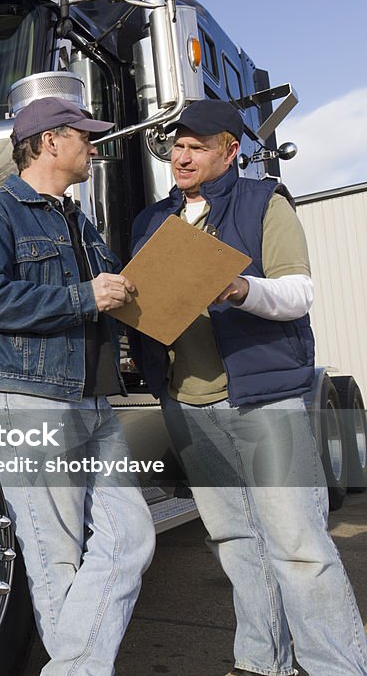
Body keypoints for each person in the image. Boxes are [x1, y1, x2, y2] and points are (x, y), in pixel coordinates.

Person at [130, 99, 367, 676]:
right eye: (176, 146)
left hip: (264, 400)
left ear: (229, 150)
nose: (181, 156)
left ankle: (336, 666)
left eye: (196, 146)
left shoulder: (266, 203)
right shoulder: (149, 221)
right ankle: (262, 662)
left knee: (299, 547)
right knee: (236, 542)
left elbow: (298, 294)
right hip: (189, 403)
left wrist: (240, 290)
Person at [0, 96, 155, 674]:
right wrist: (83, 296)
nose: (92, 146)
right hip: (26, 397)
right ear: (48, 142)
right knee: (56, 558)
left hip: (91, 398)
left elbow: (119, 291)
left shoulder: (77, 220)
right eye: (83, 135)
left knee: (133, 535)